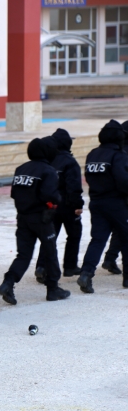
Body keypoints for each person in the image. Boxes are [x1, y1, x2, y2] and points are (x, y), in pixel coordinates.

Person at [0, 137, 71, 304]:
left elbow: (14, 193)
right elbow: (49, 195)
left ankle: (8, 282)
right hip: (42, 219)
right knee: (50, 252)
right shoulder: (48, 170)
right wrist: (57, 200)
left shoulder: (21, 169)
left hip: (23, 218)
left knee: (23, 255)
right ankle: (53, 288)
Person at [78, 120, 128, 292]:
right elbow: (123, 181)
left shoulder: (93, 154)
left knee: (97, 240)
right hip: (116, 203)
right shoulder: (119, 155)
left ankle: (86, 273)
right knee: (125, 239)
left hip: (96, 201)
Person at [34, 129, 84, 283]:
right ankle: (69, 266)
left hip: (51, 206)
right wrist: (77, 205)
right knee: (74, 235)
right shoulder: (70, 162)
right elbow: (73, 186)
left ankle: (41, 267)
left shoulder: (47, 161)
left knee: (49, 237)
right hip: (67, 205)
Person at [99, 121, 128, 276]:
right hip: (120, 196)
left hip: (112, 196)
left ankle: (110, 258)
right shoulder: (120, 153)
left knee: (119, 229)